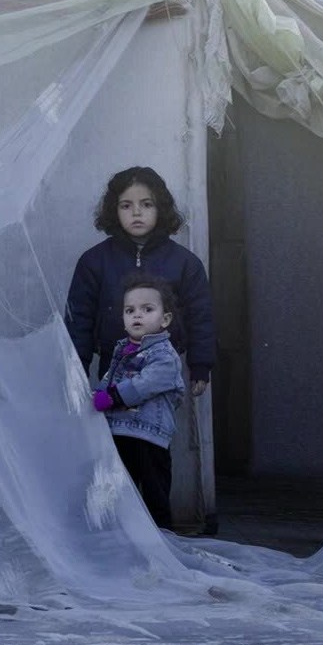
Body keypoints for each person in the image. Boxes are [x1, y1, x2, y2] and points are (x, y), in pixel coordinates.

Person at [65, 166, 214, 397]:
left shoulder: (185, 263)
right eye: (126, 205)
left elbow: (201, 316)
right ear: (114, 210)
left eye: (146, 204)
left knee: (152, 430)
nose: (136, 212)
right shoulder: (94, 262)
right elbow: (79, 321)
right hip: (111, 369)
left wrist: (201, 366)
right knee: (114, 427)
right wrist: (77, 374)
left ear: (160, 209)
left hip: (164, 372)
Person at [92, 274, 185, 529]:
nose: (137, 316)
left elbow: (146, 383)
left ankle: (163, 539)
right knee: (122, 489)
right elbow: (109, 381)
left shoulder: (165, 356)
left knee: (154, 491)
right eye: (129, 310)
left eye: (147, 309)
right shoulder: (121, 350)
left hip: (149, 437)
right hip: (120, 432)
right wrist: (96, 396)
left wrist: (112, 397)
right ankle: (127, 539)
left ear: (165, 319)